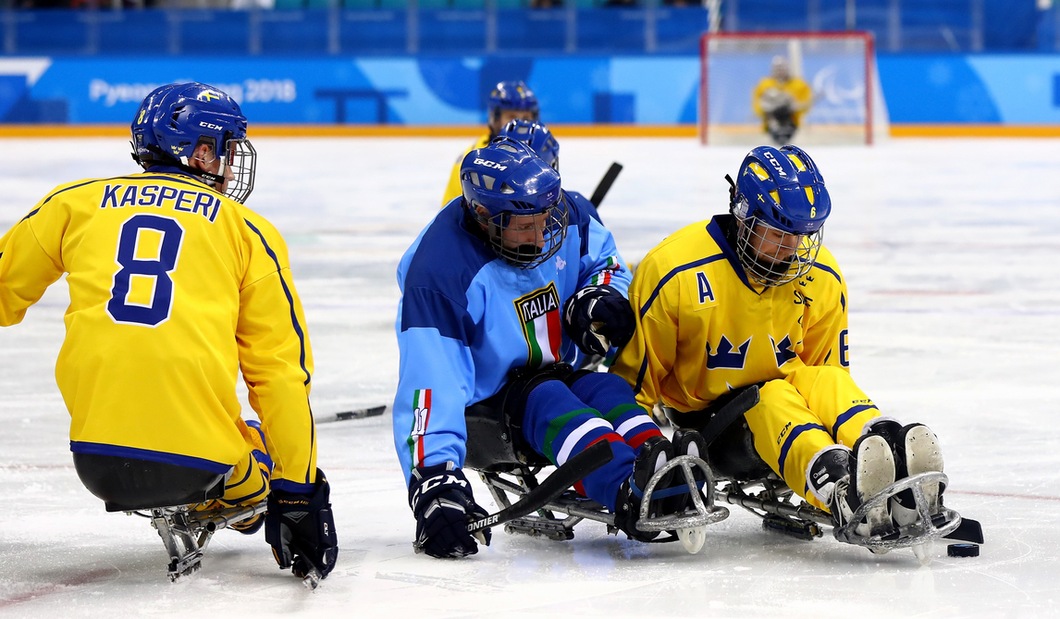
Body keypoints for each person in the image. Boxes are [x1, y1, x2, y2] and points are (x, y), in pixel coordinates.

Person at [0, 82, 337, 581]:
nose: (228, 162)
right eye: (224, 148)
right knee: (268, 452)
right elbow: (279, 375)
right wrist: (299, 493)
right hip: (199, 463)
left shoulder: (71, 203)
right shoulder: (247, 230)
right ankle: (222, 500)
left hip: (95, 462)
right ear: (201, 151)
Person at [610, 144, 947, 547]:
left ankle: (885, 447)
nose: (791, 251)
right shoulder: (673, 271)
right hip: (709, 432)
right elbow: (635, 388)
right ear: (742, 216)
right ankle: (839, 488)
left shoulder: (822, 275)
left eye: (803, 236)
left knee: (821, 380)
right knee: (771, 397)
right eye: (776, 234)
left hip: (785, 407)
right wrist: (646, 459)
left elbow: (826, 374)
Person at [393, 137, 705, 558]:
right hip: (491, 402)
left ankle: (668, 471)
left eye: (545, 220)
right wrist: (434, 482)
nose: (541, 236)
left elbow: (605, 263)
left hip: (558, 368)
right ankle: (625, 490)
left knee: (608, 390)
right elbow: (430, 384)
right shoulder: (438, 272)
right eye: (525, 226)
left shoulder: (566, 212)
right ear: (483, 214)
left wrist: (596, 296)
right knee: (552, 400)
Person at [440, 80, 540, 206]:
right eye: (511, 117)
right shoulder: (475, 159)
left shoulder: (538, 151)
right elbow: (454, 211)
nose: (520, 125)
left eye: (526, 118)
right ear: (495, 119)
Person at [752, 56, 813, 145]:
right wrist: (769, 107)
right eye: (777, 69)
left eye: (782, 68)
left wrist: (794, 106)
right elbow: (757, 107)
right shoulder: (764, 84)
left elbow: (806, 104)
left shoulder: (799, 84)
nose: (780, 71)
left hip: (793, 124)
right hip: (770, 126)